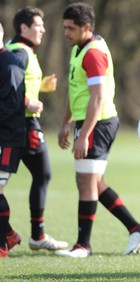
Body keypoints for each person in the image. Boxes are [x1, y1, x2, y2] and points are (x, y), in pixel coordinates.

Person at [56, 2, 140, 258]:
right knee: (93, 182)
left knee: (86, 183)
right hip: (88, 123)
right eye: (64, 27)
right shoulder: (79, 48)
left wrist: (83, 134)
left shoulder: (93, 53)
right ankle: (135, 228)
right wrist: (66, 122)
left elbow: (97, 99)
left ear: (86, 27)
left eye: (71, 28)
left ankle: (83, 245)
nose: (66, 32)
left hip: (98, 123)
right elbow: (75, 90)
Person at [6, 6, 68, 252]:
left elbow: (13, 82)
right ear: (24, 27)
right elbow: (7, 88)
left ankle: (18, 234)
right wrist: (27, 102)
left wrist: (40, 87)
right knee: (42, 174)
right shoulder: (21, 53)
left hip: (17, 121)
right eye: (38, 25)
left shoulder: (15, 48)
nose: (43, 29)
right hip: (22, 123)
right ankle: (34, 235)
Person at [0, 22, 26, 258]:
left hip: (8, 139)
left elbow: (12, 104)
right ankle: (8, 235)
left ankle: (3, 244)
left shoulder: (10, 65)